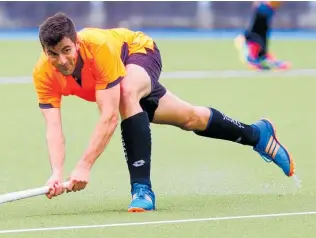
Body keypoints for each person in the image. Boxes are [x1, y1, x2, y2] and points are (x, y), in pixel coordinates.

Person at [32, 12, 295, 212]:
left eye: (67, 50)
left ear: (76, 43)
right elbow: (53, 128)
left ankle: (142, 189)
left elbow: (109, 116)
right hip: (123, 77)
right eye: (53, 54)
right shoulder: (43, 75)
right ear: (45, 52)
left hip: (137, 52)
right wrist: (57, 172)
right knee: (191, 118)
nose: (62, 61)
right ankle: (257, 134)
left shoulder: (98, 48)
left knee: (126, 94)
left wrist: (84, 166)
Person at [234, 1, 290, 70]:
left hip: (265, 9)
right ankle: (252, 52)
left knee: (262, 31)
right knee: (257, 33)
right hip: (262, 9)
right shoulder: (262, 8)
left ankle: (261, 55)